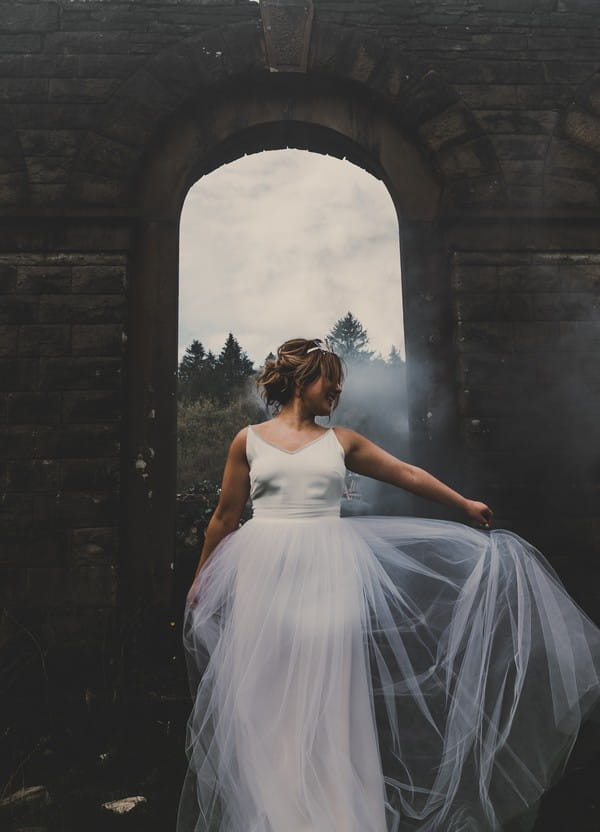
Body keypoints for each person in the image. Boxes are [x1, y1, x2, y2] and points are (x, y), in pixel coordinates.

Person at [176, 337, 600, 832]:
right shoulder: (247, 440)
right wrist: (202, 577)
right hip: (262, 573)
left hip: (325, 575)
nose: (335, 389)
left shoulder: (342, 442)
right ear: (299, 380)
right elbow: (224, 519)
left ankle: (333, 814)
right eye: (327, 379)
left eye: (338, 382)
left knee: (329, 692)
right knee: (266, 695)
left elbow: (405, 473)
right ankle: (274, 812)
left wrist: (462, 504)